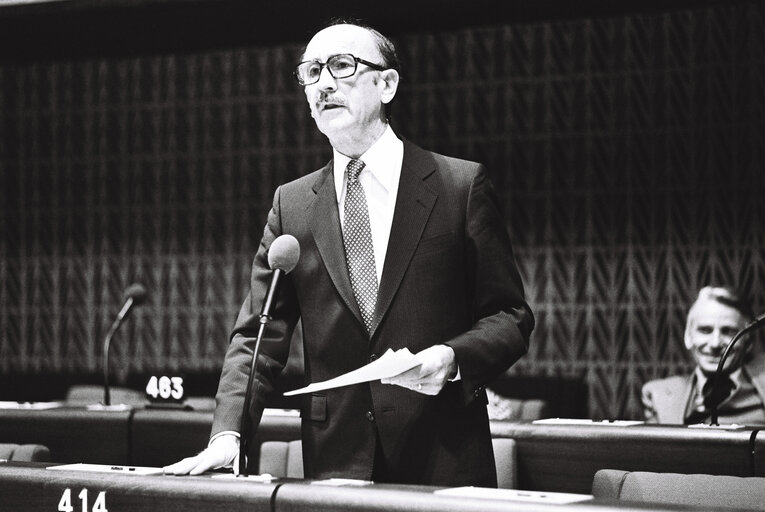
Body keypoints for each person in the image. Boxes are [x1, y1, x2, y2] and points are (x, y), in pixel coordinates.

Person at [164, 19, 534, 486]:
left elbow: (511, 316)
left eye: (342, 66)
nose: (324, 84)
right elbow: (259, 336)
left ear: (387, 84)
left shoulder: (458, 185)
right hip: (336, 460)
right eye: (312, 72)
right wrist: (227, 436)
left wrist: (451, 357)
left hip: (443, 451)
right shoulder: (292, 203)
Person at [642, 286, 765, 425]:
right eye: (705, 330)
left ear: (748, 342)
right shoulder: (658, 395)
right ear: (688, 337)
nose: (715, 343)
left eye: (728, 331)